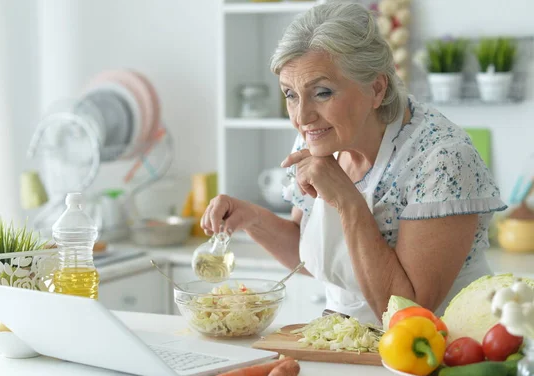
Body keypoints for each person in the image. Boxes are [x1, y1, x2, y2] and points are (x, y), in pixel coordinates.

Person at [200, 2, 506, 325]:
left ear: (376, 89)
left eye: (322, 92)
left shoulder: (441, 160)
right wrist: (249, 218)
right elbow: (309, 253)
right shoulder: (318, 136)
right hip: (348, 343)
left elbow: (409, 314)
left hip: (440, 355)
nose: (302, 117)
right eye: (290, 95)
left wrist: (346, 198)